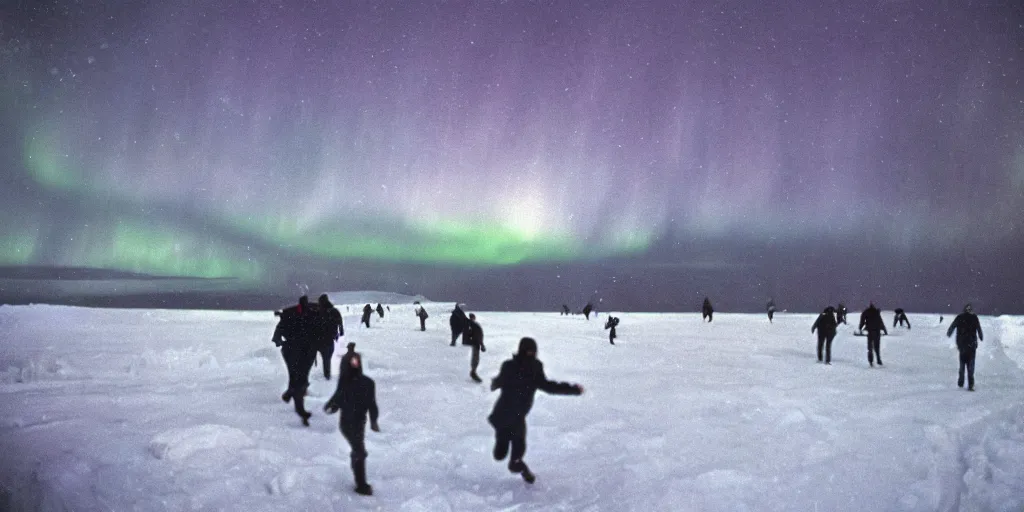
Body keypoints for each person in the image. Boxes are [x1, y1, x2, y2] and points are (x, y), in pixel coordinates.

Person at [488, 337, 583, 483]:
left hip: (513, 417)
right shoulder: (514, 367)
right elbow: (500, 380)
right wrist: (495, 383)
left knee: (515, 453)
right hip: (505, 416)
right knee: (500, 454)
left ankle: (517, 463)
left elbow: (549, 386)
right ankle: (512, 458)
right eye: (529, 351)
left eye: (532, 352)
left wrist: (573, 389)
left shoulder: (531, 368)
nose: (530, 354)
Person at [324, 353, 380, 496]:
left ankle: (358, 474)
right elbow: (372, 406)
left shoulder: (345, 383)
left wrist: (332, 407)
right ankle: (361, 484)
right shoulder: (367, 383)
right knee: (359, 451)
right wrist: (373, 421)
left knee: (358, 450)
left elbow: (334, 404)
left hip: (350, 424)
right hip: (354, 424)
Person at [272, 295, 317, 426]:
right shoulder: (299, 314)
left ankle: (290, 394)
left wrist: (279, 341)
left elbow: (278, 331)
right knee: (300, 378)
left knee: (297, 376)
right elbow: (278, 332)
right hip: (298, 350)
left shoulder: (293, 314)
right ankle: (300, 410)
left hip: (299, 350)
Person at [946, 303, 983, 391]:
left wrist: (949, 333)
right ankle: (970, 384)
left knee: (962, 364)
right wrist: (981, 336)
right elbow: (979, 329)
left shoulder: (960, 317)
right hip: (971, 345)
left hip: (962, 345)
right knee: (971, 366)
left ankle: (961, 382)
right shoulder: (974, 317)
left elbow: (952, 326)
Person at [316, 294, 343, 380]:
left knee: (325, 357)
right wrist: (341, 332)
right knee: (327, 357)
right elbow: (340, 322)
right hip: (329, 338)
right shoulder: (334, 311)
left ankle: (326, 376)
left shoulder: (319, 311)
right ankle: (327, 375)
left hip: (320, 338)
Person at [858, 302, 888, 367]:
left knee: (870, 347)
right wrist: (884, 330)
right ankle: (878, 360)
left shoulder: (866, 312)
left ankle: (870, 361)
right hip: (877, 331)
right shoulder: (876, 312)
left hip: (870, 331)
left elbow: (862, 321)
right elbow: (880, 321)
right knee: (877, 346)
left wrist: (860, 328)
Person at [464, 313, 486, 382]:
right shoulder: (472, 325)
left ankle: (473, 371)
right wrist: (481, 344)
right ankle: (473, 372)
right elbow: (478, 335)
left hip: (476, 343)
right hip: (475, 343)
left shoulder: (472, 325)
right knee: (475, 358)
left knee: (475, 358)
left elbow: (476, 335)